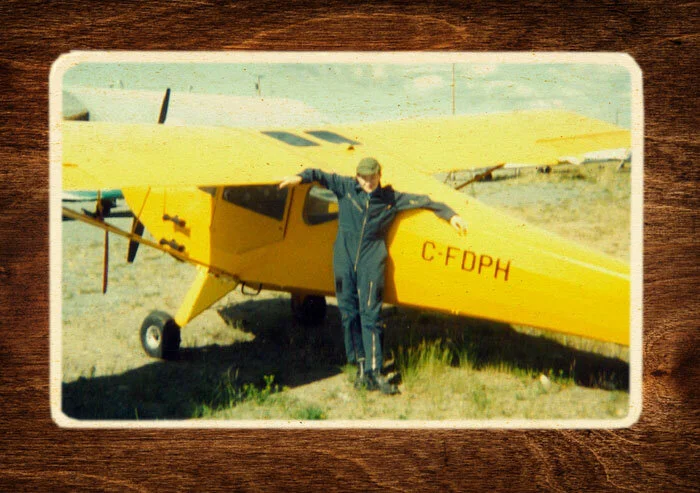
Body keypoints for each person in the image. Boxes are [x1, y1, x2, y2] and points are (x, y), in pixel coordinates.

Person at [279, 157, 467, 394]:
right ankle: (359, 368)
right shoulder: (345, 187)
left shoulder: (391, 199)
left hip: (371, 258)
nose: (368, 182)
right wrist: (300, 177)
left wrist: (451, 215)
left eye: (373, 177)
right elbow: (319, 174)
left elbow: (425, 202)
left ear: (380, 175)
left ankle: (375, 371)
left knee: (371, 314)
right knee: (348, 312)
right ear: (357, 177)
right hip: (344, 258)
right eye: (364, 177)